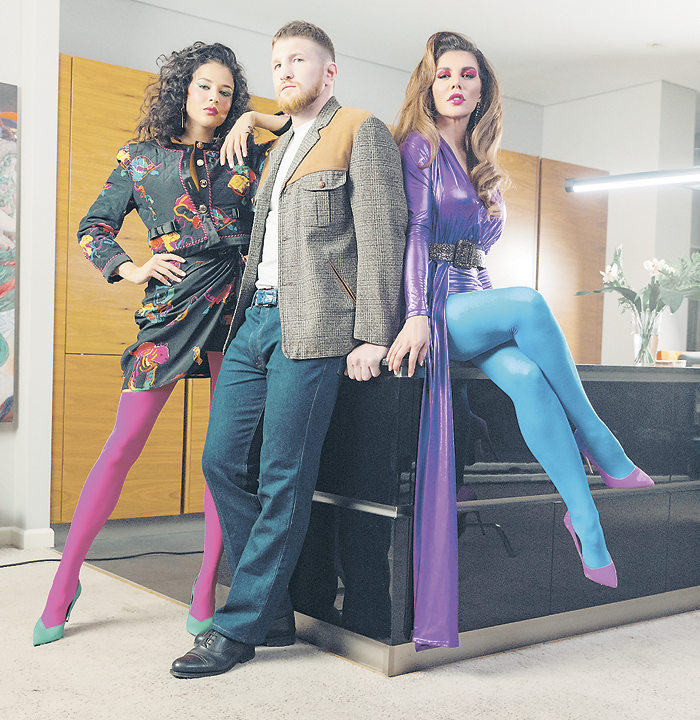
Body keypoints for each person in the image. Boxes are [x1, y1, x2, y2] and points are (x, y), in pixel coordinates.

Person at [386, 31, 654, 651]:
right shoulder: (419, 147)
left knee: (531, 380)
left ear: (483, 89)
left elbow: (476, 255)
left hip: (475, 299)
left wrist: (490, 310)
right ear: (428, 84)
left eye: (468, 75)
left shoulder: (481, 159)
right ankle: (601, 441)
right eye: (444, 74)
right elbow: (417, 233)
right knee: (530, 302)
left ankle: (584, 519)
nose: (456, 83)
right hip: (434, 304)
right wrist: (417, 315)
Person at [169, 20, 407, 679]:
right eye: (277, 63)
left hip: (316, 325)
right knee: (221, 462)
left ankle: (239, 626)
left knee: (283, 475)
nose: (285, 72)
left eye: (298, 60)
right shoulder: (277, 149)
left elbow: (384, 234)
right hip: (254, 322)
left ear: (329, 71)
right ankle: (272, 611)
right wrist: (253, 117)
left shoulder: (360, 130)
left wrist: (375, 333)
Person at [33, 42, 291, 646]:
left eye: (227, 91)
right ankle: (64, 581)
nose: (215, 99)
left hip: (238, 306)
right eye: (205, 86)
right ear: (182, 89)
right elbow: (94, 226)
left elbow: (307, 125)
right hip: (171, 305)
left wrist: (256, 118)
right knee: (122, 445)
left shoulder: (252, 148)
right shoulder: (140, 157)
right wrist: (131, 269)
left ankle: (205, 589)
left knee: (224, 456)